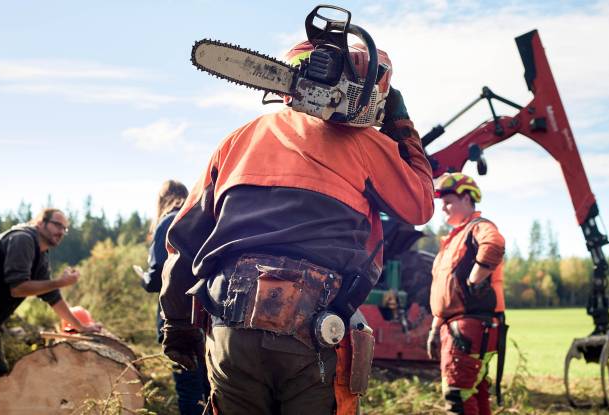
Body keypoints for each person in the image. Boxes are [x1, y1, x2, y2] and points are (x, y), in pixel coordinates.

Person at [159, 40, 434, 414]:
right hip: (316, 329)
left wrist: (176, 320)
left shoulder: (238, 139)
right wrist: (402, 130)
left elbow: (183, 240)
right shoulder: (368, 144)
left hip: (229, 324)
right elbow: (420, 204)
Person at [0, 208, 101, 412]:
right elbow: (18, 287)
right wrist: (61, 281)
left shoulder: (40, 255)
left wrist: (81, 327)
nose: (61, 232)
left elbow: (52, 296)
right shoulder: (22, 239)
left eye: (65, 228)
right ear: (40, 222)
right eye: (57, 225)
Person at [426, 173, 507, 415]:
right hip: (459, 327)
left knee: (457, 396)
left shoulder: (479, 227)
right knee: (475, 393)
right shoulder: (453, 240)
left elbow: (494, 243)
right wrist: (434, 329)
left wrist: (476, 276)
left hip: (469, 327)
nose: (443, 207)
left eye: (448, 201)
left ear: (468, 199)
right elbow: (445, 294)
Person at [138, 180, 208, 414]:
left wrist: (143, 278)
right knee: (211, 389)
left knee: (188, 389)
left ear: (161, 201)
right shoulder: (201, 219)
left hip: (179, 321)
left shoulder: (167, 222)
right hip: (210, 317)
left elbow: (158, 277)